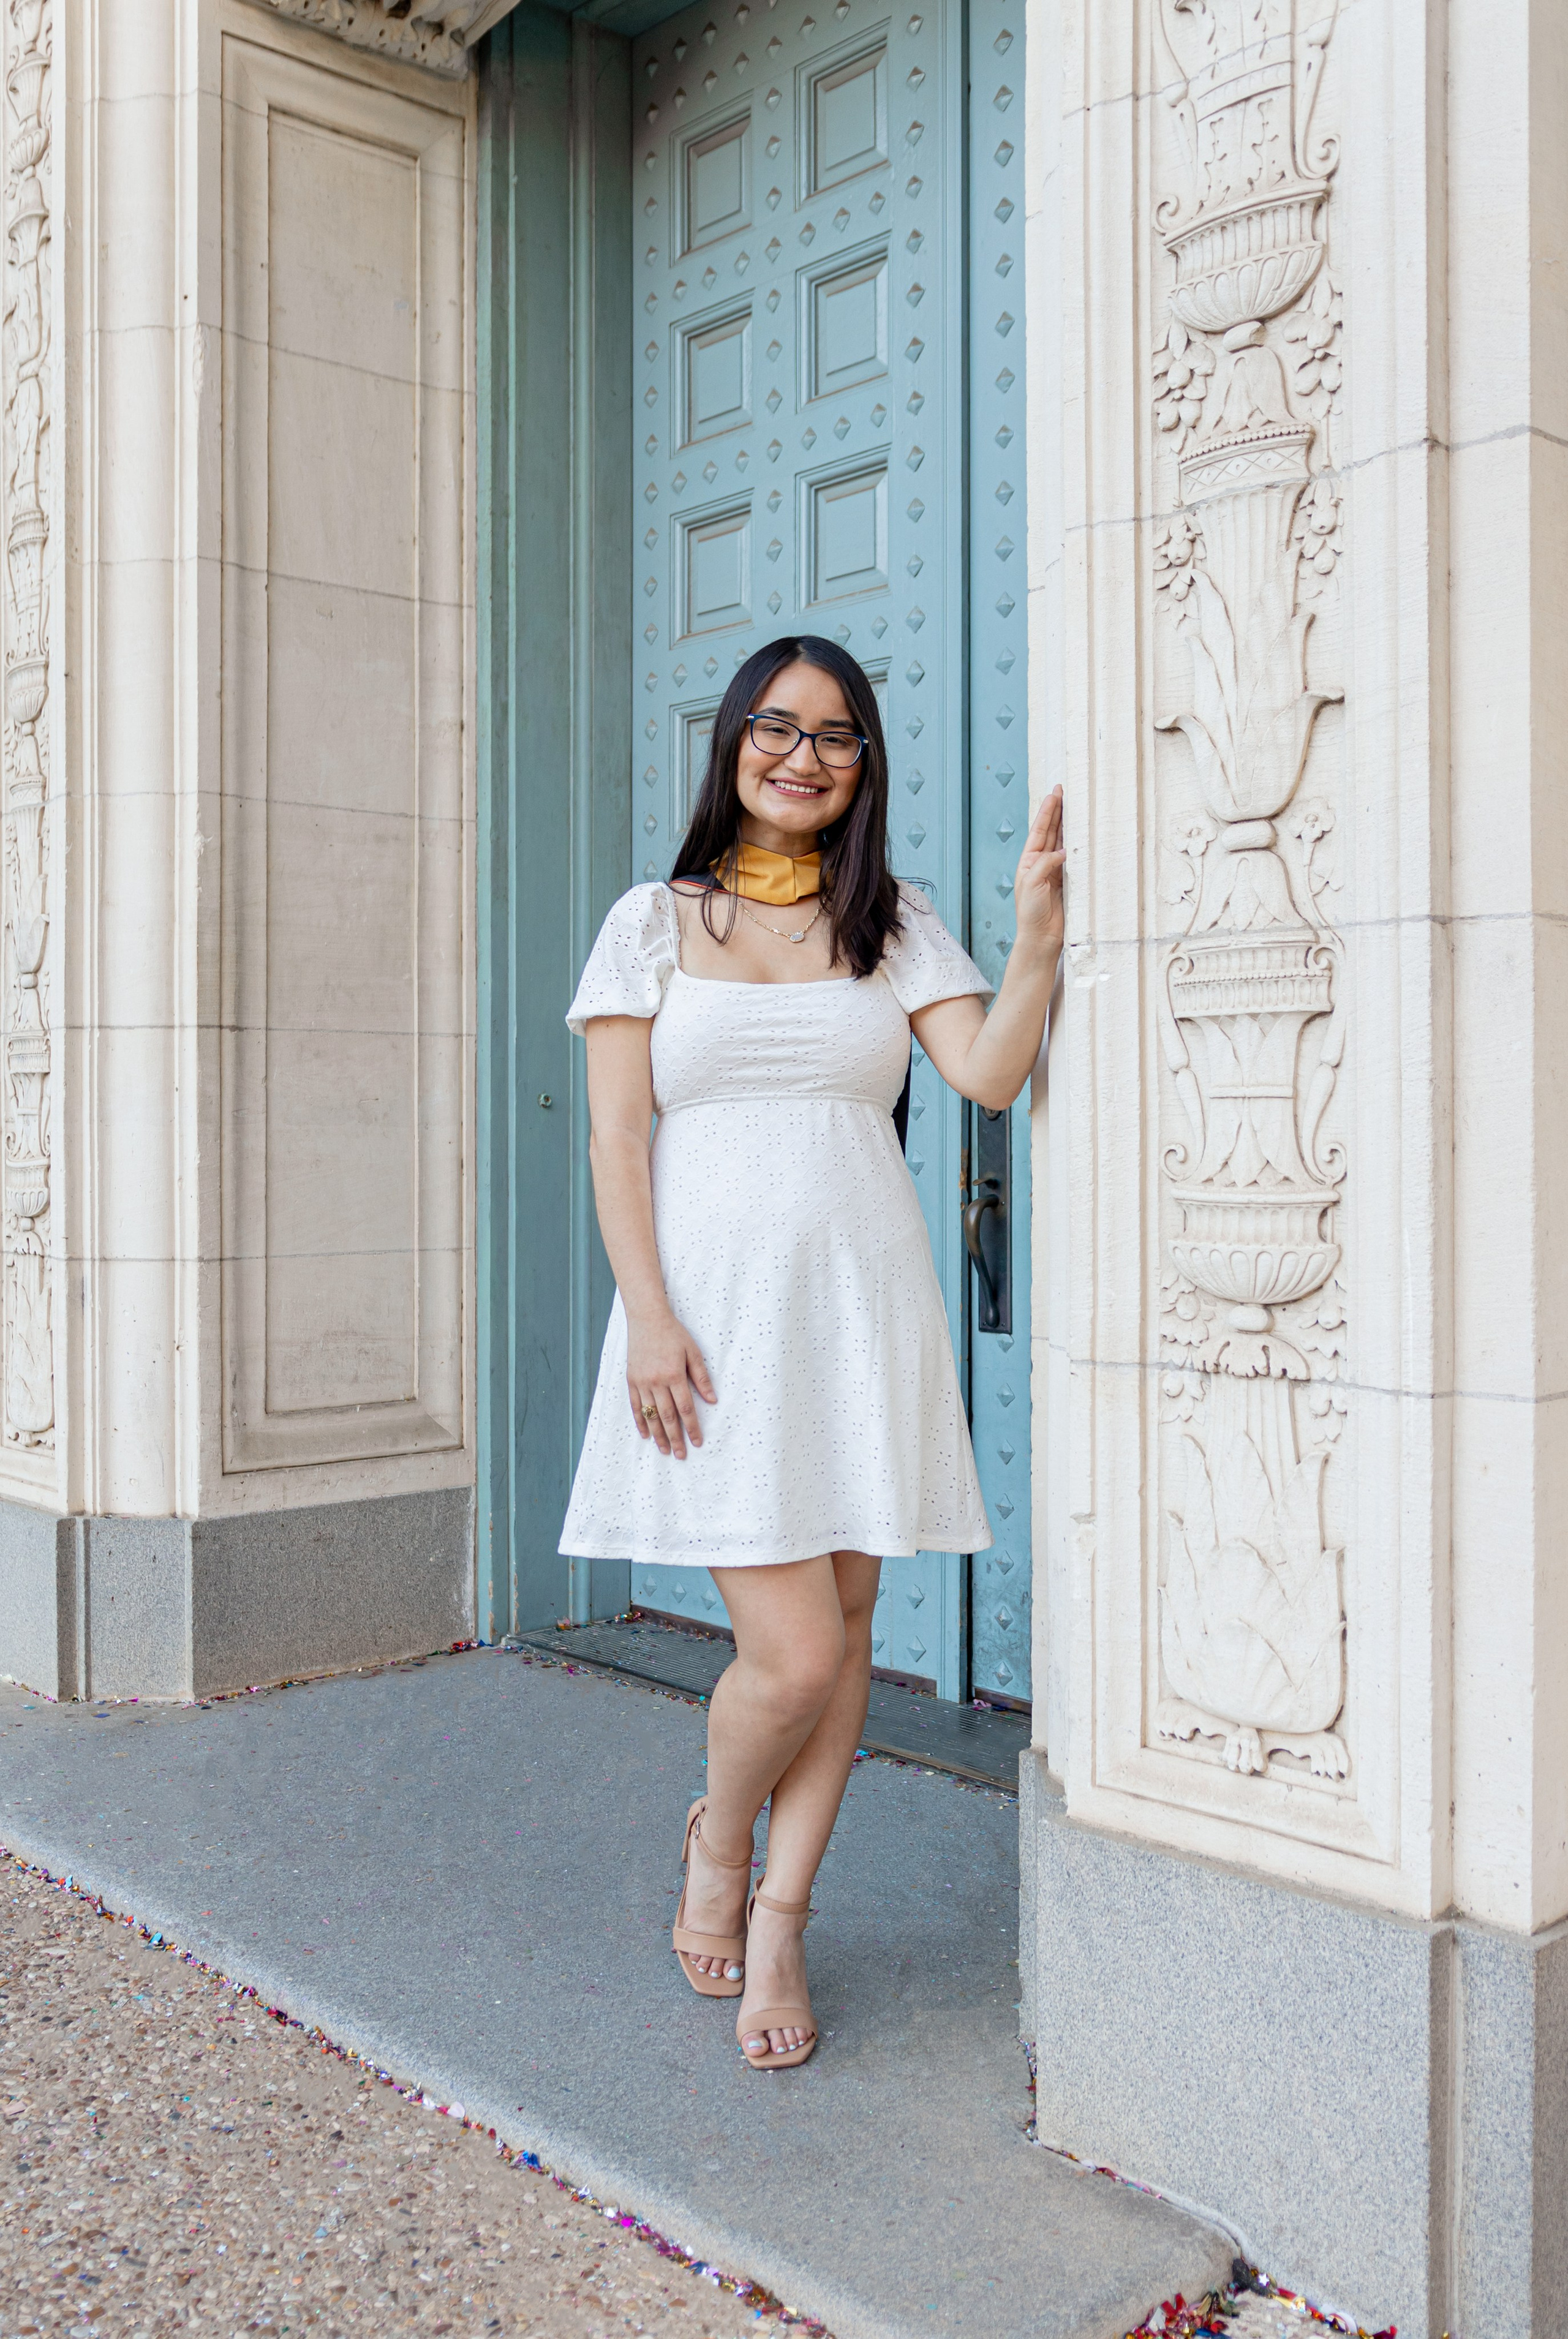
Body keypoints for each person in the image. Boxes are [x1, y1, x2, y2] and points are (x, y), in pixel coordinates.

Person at [560, 636, 1065, 2070]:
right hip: (709, 1324)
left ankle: (780, 1910)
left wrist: (1031, 935)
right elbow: (615, 1134)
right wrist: (647, 1312)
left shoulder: (890, 921)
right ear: (732, 745)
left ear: (862, 767)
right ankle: (719, 1842)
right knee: (783, 1655)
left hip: (859, 1311)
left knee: (842, 1633)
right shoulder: (651, 923)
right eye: (775, 727)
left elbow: (984, 1072)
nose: (802, 753)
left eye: (836, 735)